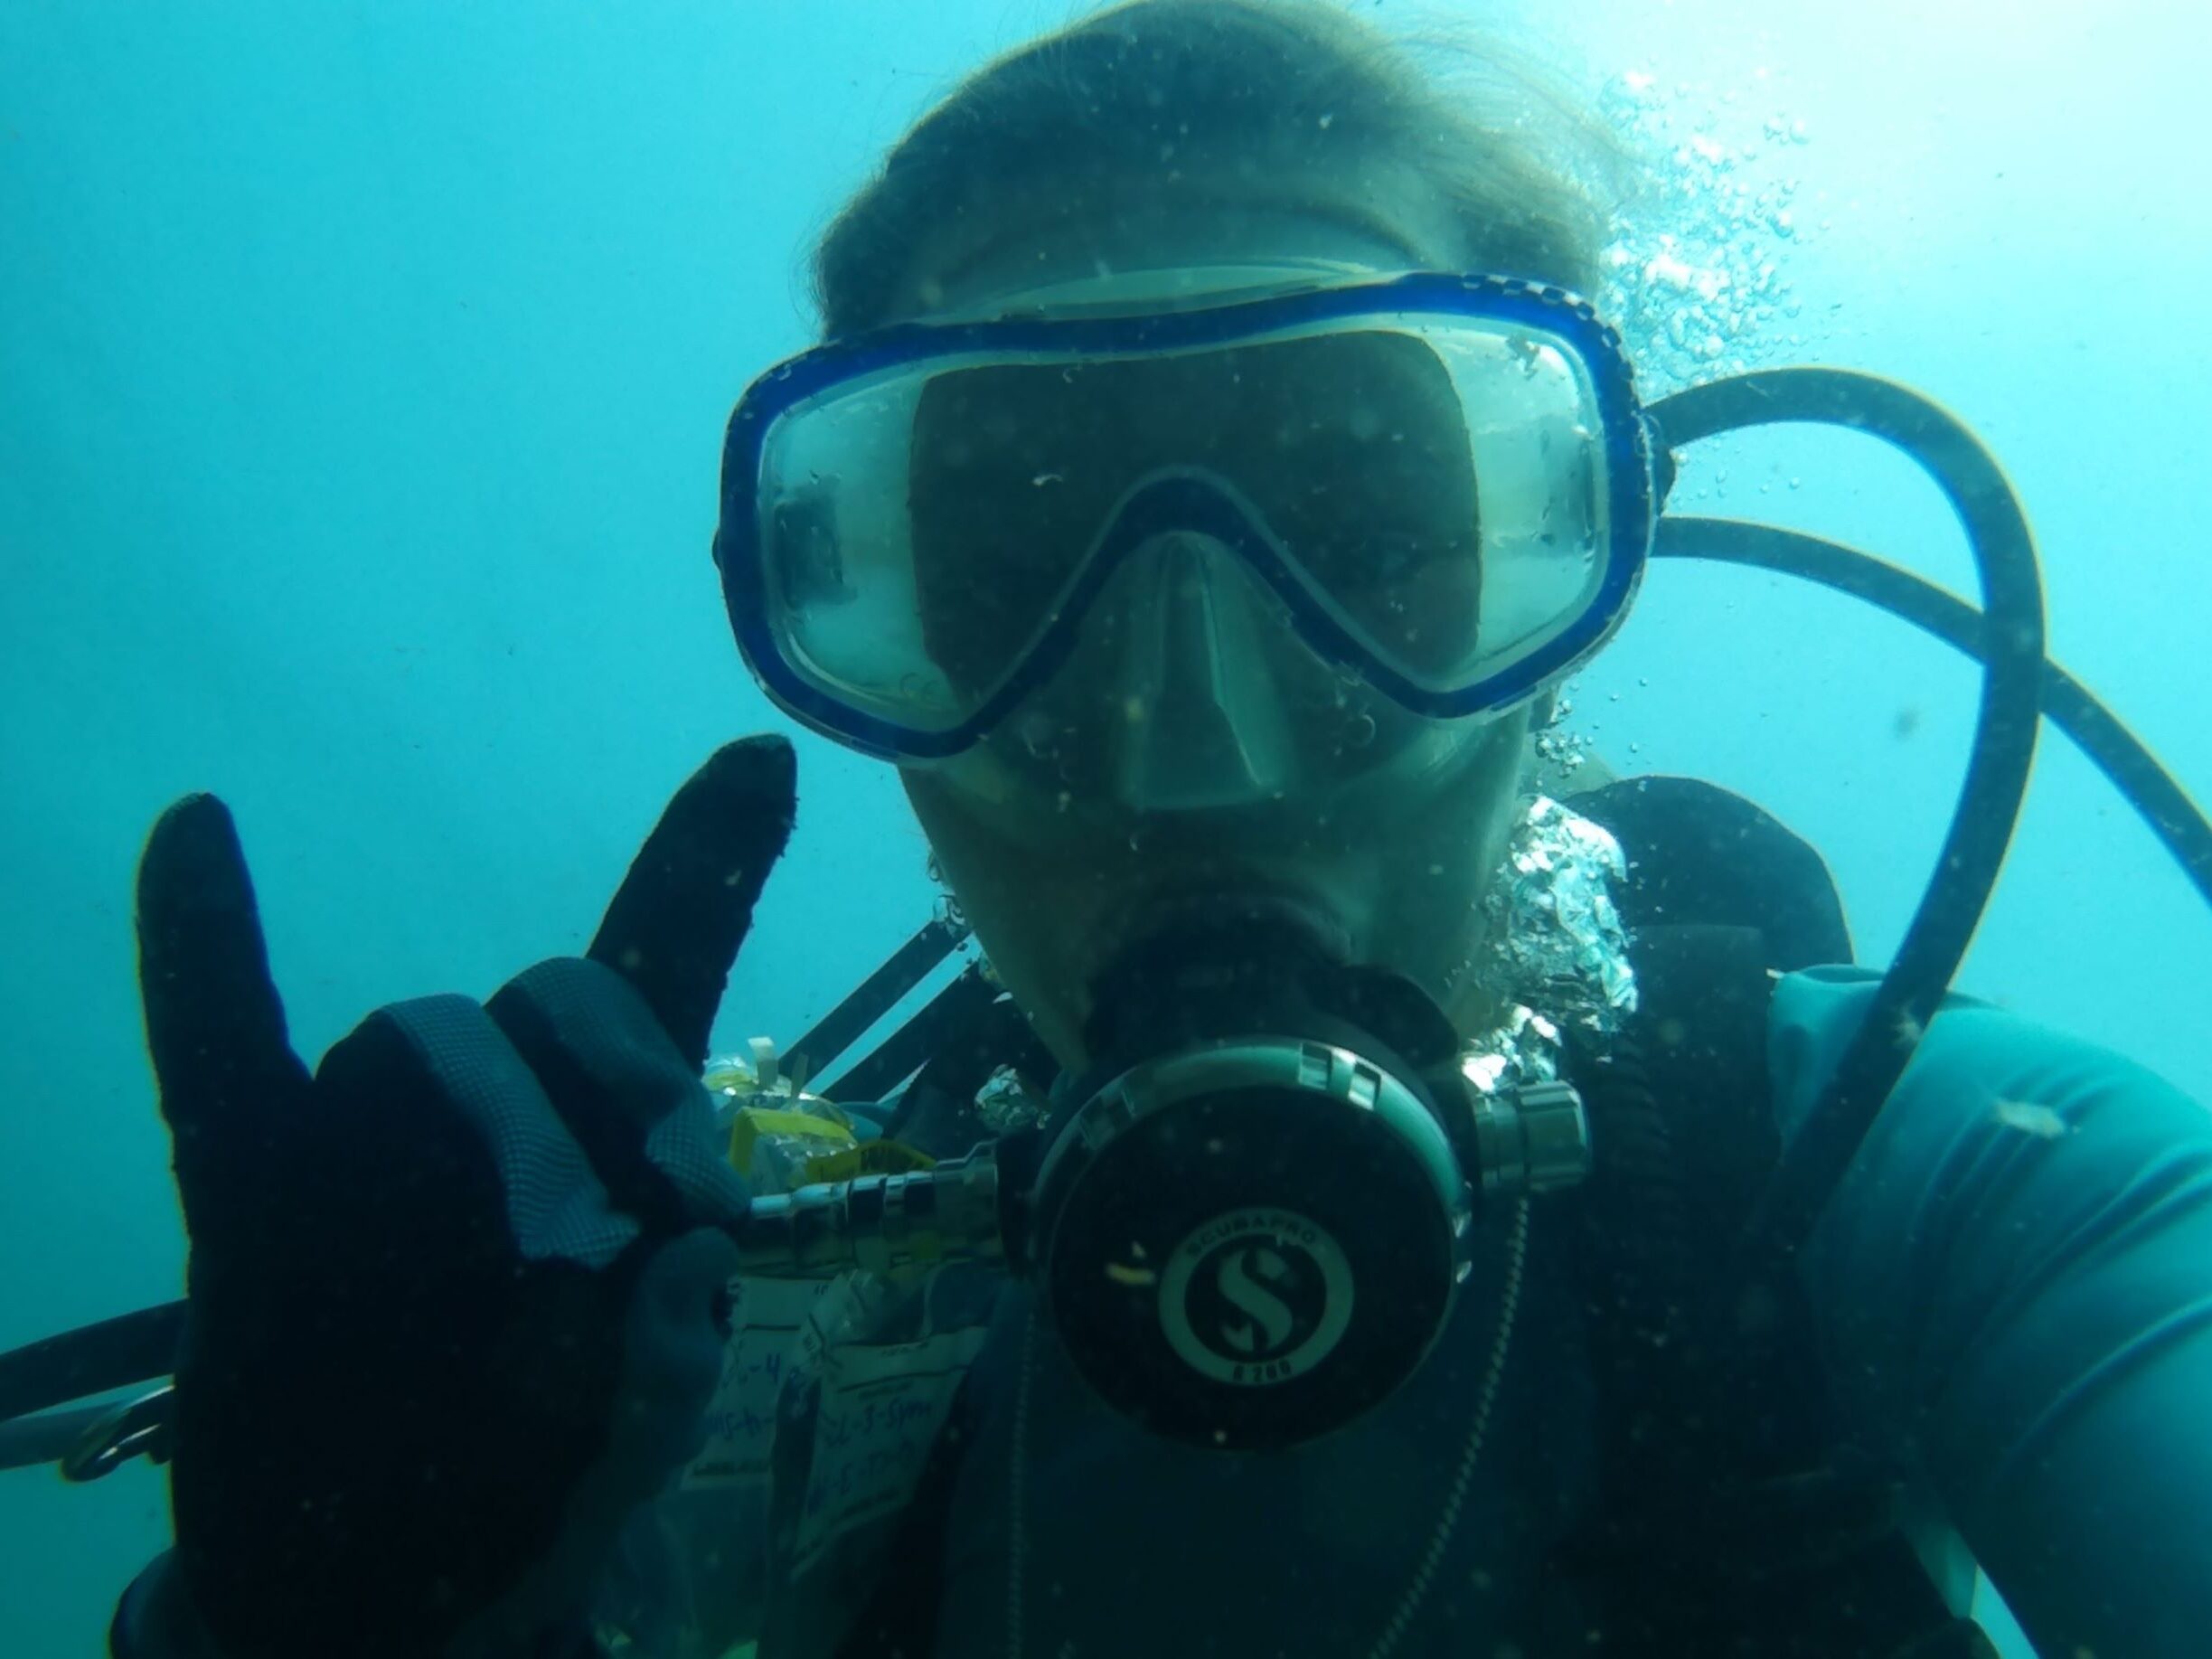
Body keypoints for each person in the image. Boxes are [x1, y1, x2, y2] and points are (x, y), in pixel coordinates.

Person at [107, 4, 2212, 1657]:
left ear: (1561, 575)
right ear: (870, 640)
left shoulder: (1968, 1204)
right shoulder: (697, 1354)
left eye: (1371, 526)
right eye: (1014, 557)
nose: (1192, 741)